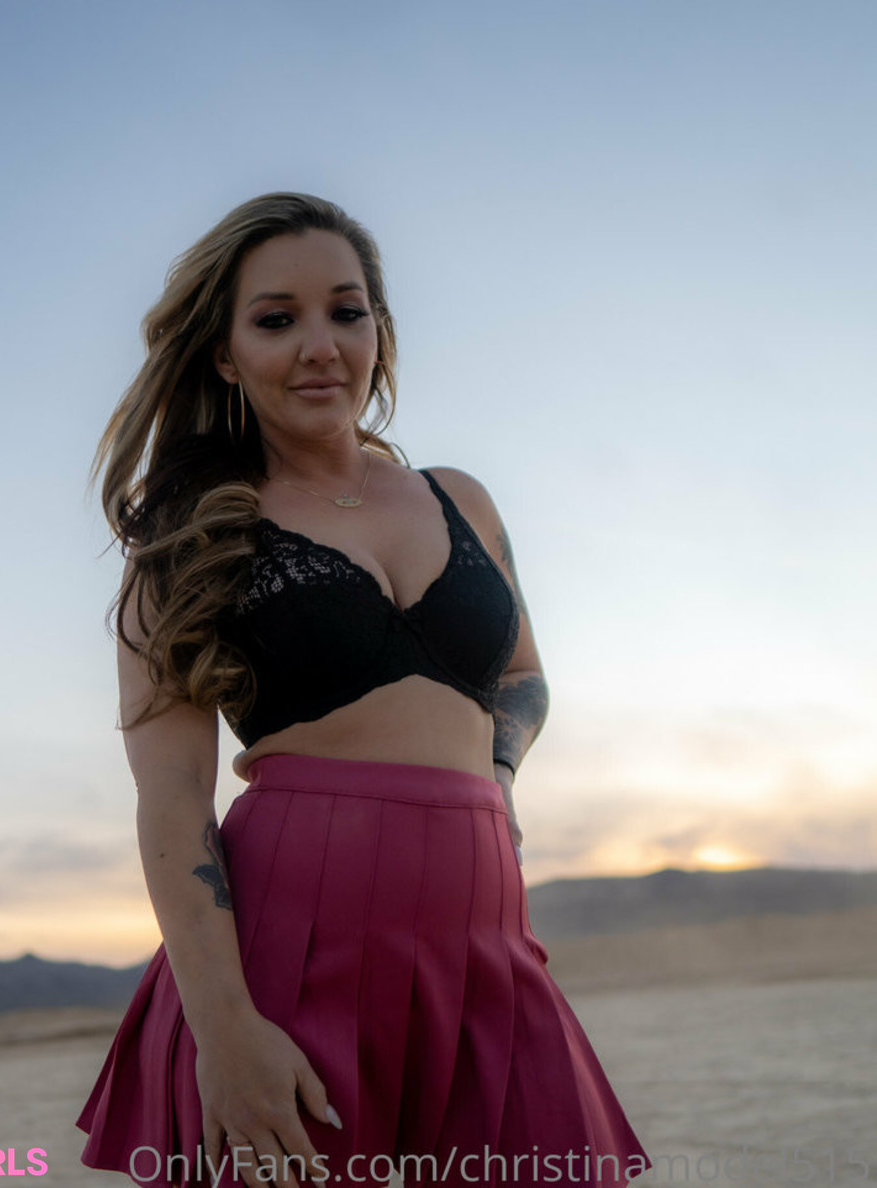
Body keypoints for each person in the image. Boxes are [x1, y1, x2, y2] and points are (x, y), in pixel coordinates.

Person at [76, 193, 652, 1188]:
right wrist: (227, 1032)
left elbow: (521, 676)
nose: (321, 346)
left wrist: (498, 775)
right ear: (225, 356)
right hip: (289, 954)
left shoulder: (460, 499)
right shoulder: (187, 539)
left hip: (481, 943)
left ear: (379, 328)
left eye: (347, 311)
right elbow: (170, 802)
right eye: (276, 319)